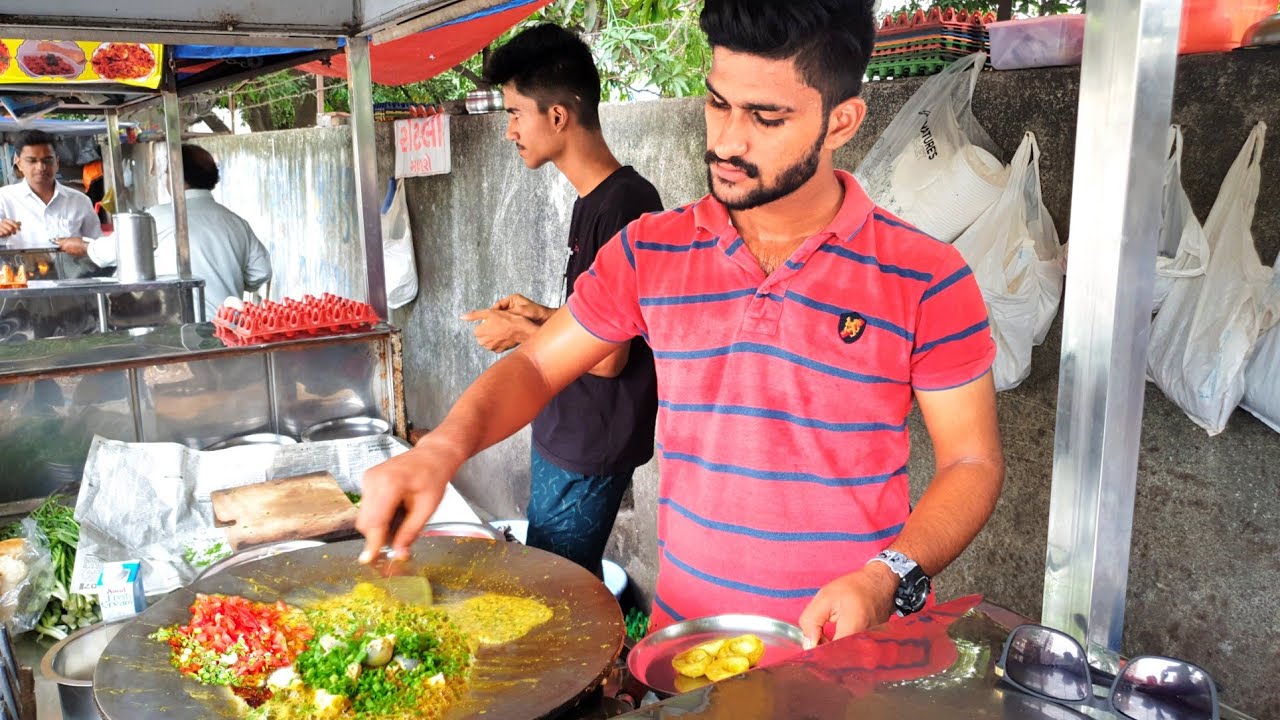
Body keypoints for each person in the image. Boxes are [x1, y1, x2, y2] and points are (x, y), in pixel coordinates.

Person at [357, 0, 1004, 650]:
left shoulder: (927, 276)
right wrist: (439, 450)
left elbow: (972, 461)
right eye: (718, 103)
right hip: (689, 651)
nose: (725, 140)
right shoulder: (651, 251)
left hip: (848, 658)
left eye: (765, 117)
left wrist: (887, 575)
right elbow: (534, 365)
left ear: (842, 122)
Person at [457, 24, 662, 579]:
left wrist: (522, 335)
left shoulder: (628, 206)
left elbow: (609, 355)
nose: (509, 131)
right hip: (568, 428)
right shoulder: (593, 202)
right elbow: (603, 320)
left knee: (560, 591)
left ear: (557, 117)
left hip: (591, 441)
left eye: (515, 113)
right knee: (557, 579)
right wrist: (545, 315)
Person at [60, 144, 272, 317]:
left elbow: (107, 253)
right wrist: (226, 276)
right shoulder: (235, 222)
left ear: (177, 177)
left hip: (176, 328)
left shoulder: (157, 217)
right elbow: (261, 272)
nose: (165, 177)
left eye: (167, 172)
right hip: (229, 327)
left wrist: (82, 246)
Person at [0, 130, 102, 276]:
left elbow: (97, 247)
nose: (41, 167)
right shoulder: (4, 198)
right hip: (23, 287)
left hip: (73, 287)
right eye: (32, 161)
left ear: (57, 162)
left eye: (47, 160)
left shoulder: (80, 201)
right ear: (18, 162)